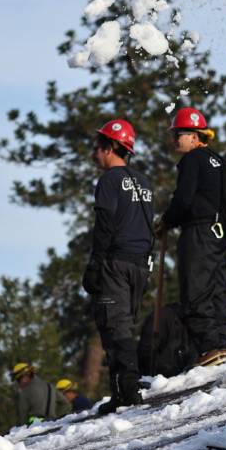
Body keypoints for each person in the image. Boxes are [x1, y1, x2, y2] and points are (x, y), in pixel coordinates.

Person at [82, 119, 154, 415]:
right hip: (140, 263)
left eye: (97, 147)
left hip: (116, 261)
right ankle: (125, 387)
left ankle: (127, 391)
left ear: (111, 148)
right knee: (125, 322)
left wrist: (95, 264)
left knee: (115, 325)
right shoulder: (143, 182)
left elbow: (105, 225)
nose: (94, 154)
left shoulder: (110, 181)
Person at [155, 107, 226, 368]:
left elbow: (184, 198)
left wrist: (167, 220)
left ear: (196, 135)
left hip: (198, 231)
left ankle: (209, 347)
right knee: (216, 287)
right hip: (218, 232)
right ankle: (220, 342)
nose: (176, 138)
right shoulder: (217, 160)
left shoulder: (192, 159)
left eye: (181, 133)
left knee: (196, 287)